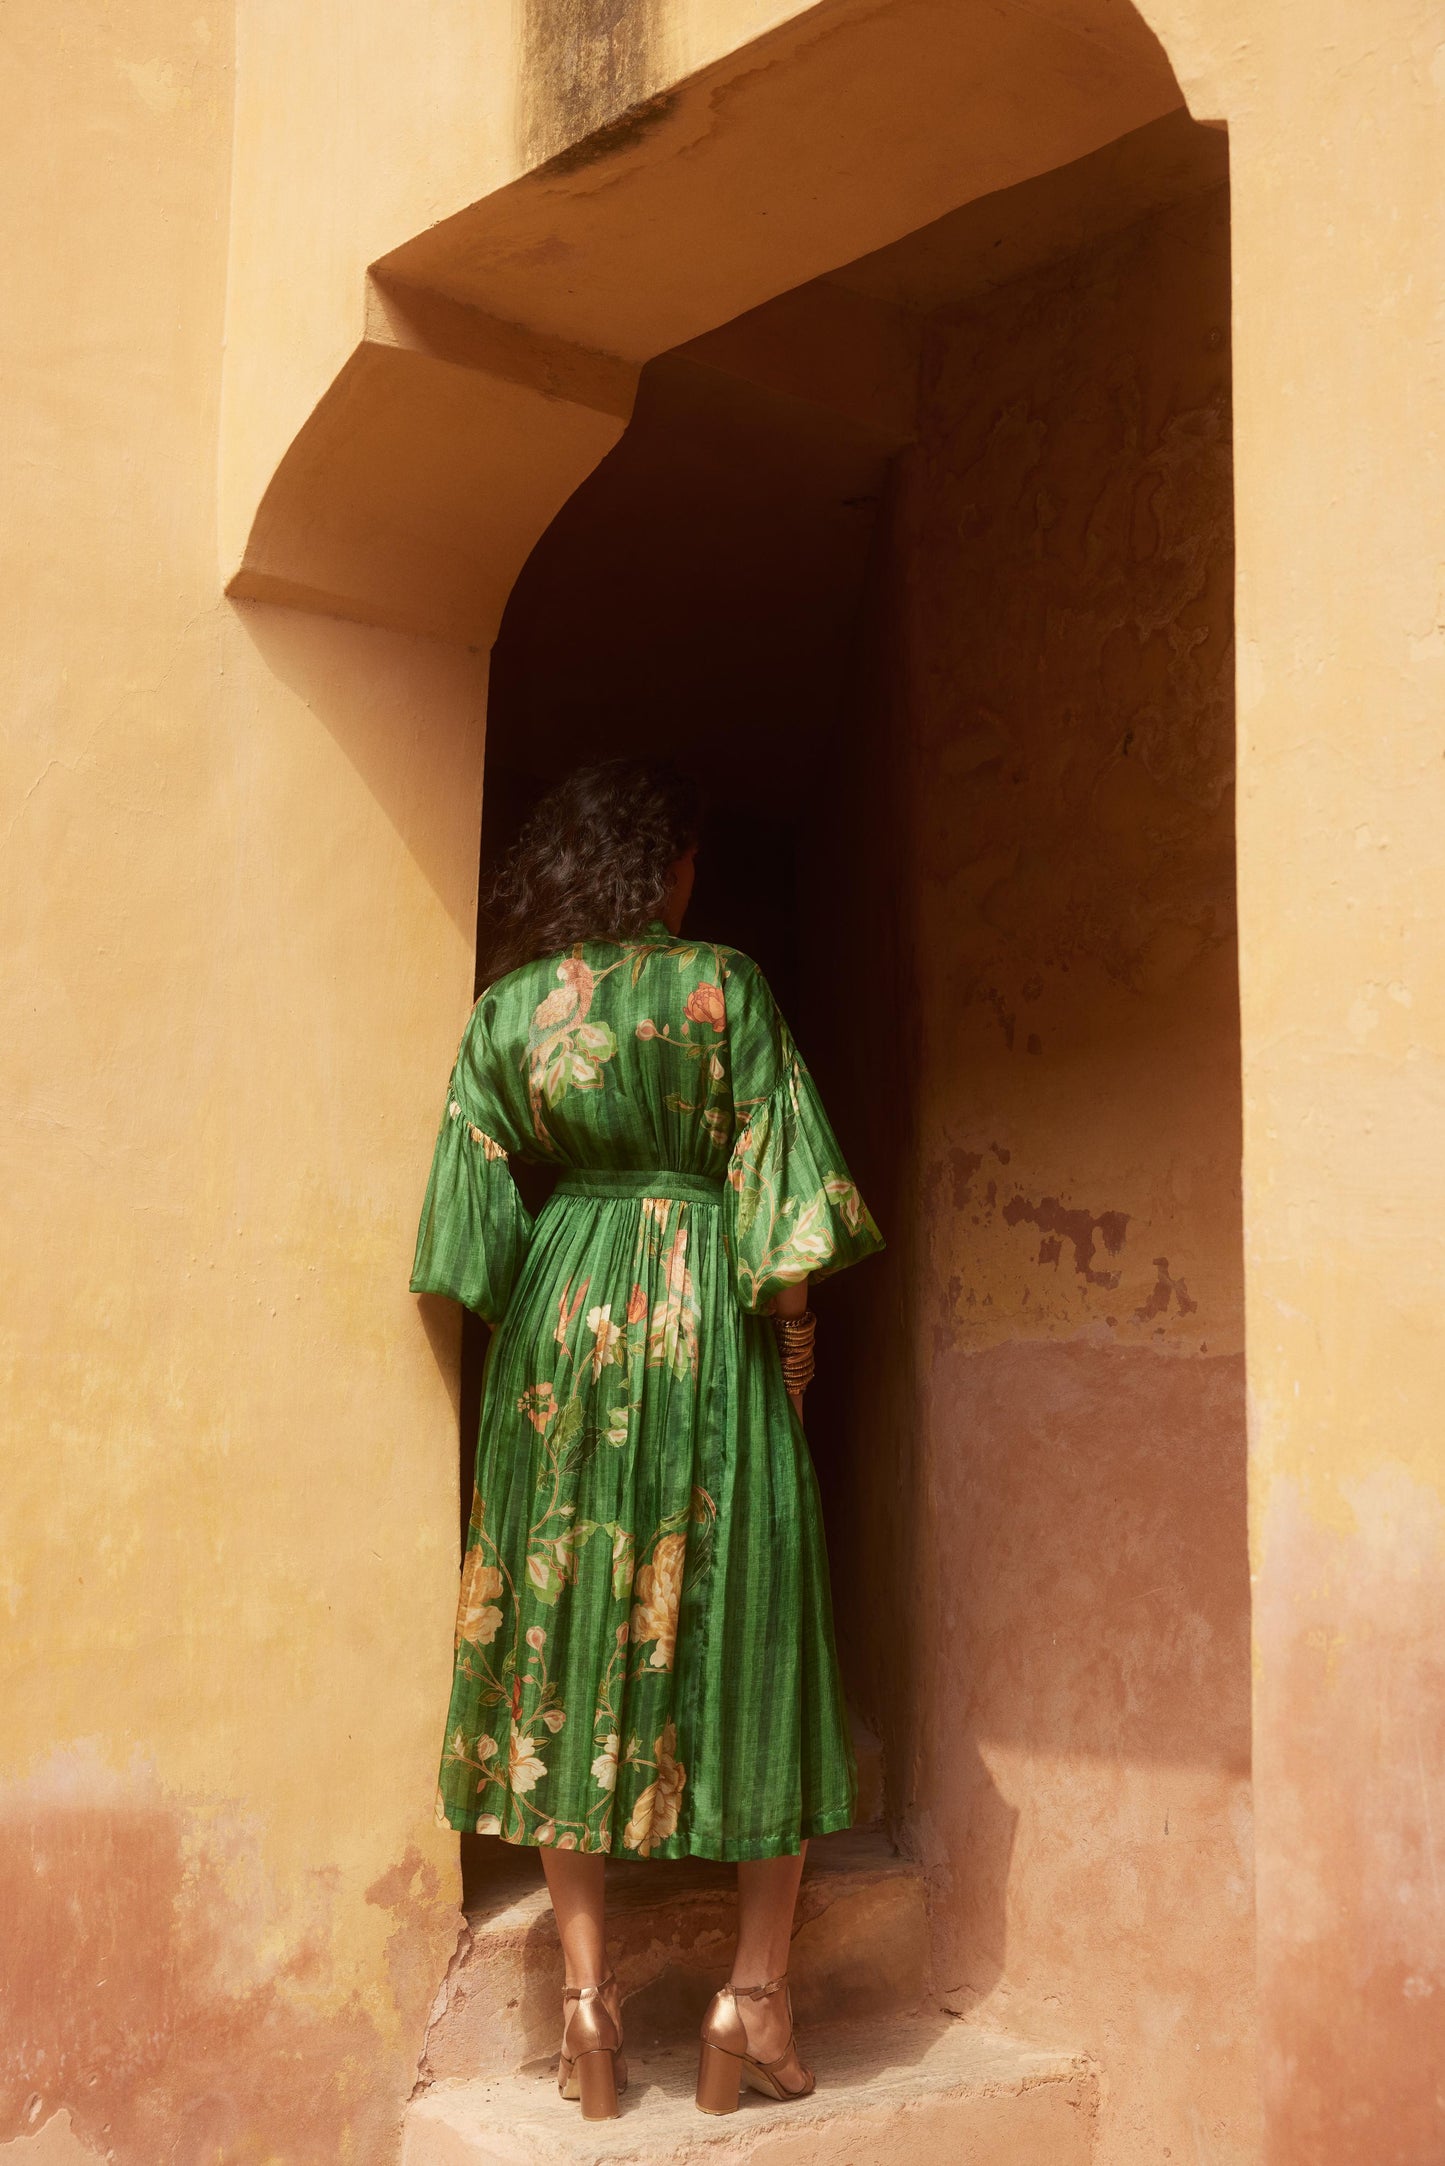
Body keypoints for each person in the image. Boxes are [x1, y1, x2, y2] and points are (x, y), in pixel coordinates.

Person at [410, 756, 883, 2119]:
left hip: (563, 1320)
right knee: (753, 1620)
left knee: (561, 1615)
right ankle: (755, 1997)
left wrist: (550, 1311)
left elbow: (467, 1226)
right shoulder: (721, 985)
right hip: (706, 1314)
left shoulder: (508, 1011)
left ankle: (582, 1999)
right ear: (665, 868)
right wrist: (791, 1333)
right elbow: (777, 1173)